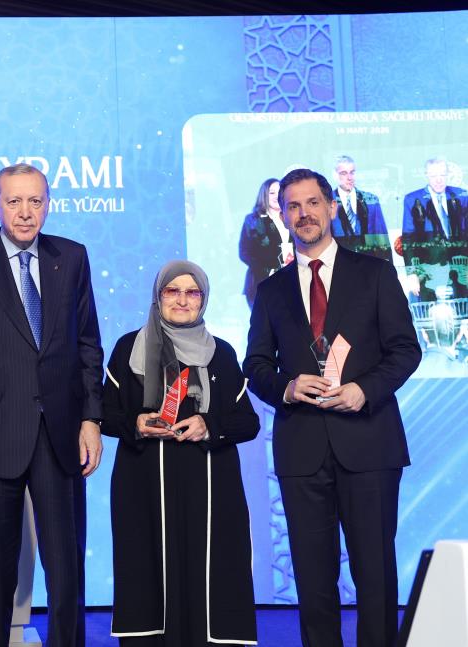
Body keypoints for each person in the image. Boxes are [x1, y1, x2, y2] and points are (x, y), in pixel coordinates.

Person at [244, 169, 421, 647]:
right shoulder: (272, 289)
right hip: (302, 450)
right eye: (293, 206)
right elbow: (255, 365)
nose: (304, 214)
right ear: (283, 216)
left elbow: (406, 350)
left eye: (312, 203)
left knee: (375, 574)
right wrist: (286, 387)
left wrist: (365, 389)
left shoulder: (375, 273)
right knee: (313, 581)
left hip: (369, 443)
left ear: (332, 208)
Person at [0, 163, 104, 647]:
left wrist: (91, 418)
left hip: (60, 434)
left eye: (35, 201)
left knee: (67, 571)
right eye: (14, 201)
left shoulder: (71, 257)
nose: (25, 212)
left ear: (48, 205)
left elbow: (88, 344)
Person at [103, 260, 258, 646]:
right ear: (158, 297)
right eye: (172, 291)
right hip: (144, 484)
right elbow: (105, 414)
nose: (182, 300)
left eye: (193, 292)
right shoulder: (128, 349)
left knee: (210, 575)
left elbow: (248, 422)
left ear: (204, 300)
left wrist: (209, 425)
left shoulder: (221, 354)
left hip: (209, 487)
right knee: (147, 571)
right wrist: (136, 422)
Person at [400, 158, 468, 265]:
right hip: (429, 262)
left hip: (461, 262)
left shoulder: (462, 195)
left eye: (442, 175)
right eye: (433, 176)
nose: (439, 180)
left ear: (448, 175)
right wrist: (411, 270)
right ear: (426, 175)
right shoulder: (411, 199)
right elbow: (408, 237)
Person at [238, 178, 292, 308]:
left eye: (280, 192)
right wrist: (268, 270)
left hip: (291, 280)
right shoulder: (253, 220)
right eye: (272, 193)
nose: (276, 196)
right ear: (264, 195)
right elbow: (244, 252)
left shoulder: (291, 216)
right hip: (263, 283)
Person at [331, 155, 391, 261]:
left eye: (352, 172)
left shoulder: (371, 200)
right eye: (344, 173)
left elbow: (381, 239)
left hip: (369, 262)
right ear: (335, 175)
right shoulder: (327, 202)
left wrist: (387, 267)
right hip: (340, 263)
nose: (349, 178)